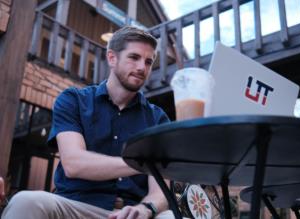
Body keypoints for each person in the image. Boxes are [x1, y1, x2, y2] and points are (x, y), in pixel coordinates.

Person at [1, 26, 174, 219]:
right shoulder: (74, 100)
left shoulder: (158, 119)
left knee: (170, 218)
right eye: (134, 57)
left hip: (132, 211)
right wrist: (143, 164)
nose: (142, 67)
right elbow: (74, 163)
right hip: (76, 207)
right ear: (112, 58)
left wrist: (146, 208)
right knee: (26, 201)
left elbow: (159, 192)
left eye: (148, 62)